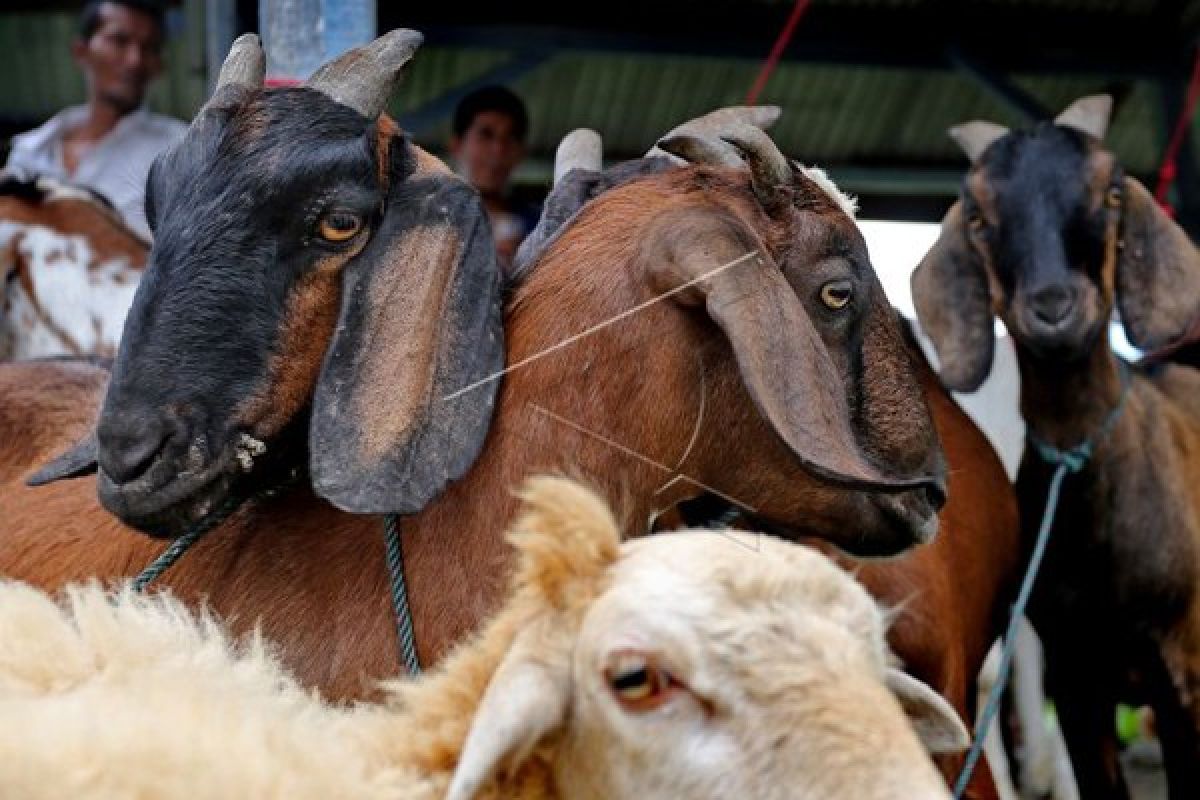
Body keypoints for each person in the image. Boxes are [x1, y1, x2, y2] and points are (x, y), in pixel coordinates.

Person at [5, 0, 186, 240]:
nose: (135, 60)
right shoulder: (29, 152)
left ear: (159, 66)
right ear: (81, 51)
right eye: (119, 41)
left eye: (150, 47)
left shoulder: (178, 149)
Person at [449, 85, 539, 275]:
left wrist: (523, 266)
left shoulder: (540, 228)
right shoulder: (429, 218)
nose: (498, 149)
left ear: (521, 153)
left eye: (510, 138)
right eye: (486, 135)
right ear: (457, 145)